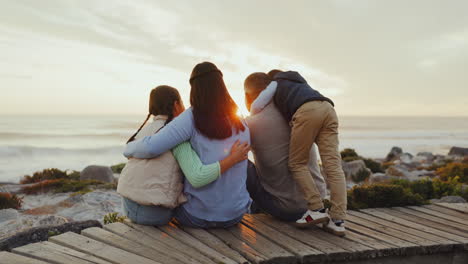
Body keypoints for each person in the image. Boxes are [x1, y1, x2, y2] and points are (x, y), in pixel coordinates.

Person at [124, 62, 251, 228]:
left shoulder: (190, 117)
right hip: (235, 214)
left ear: (194, 88)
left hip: (198, 216)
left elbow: (151, 147)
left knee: (164, 208)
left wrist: (128, 148)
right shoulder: (240, 121)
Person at [244, 71, 347, 236]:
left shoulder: (251, 123)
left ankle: (315, 209)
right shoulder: (291, 107)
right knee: (334, 166)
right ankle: (338, 220)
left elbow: (233, 153)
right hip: (328, 108)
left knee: (246, 165)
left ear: (248, 96)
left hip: (287, 210)